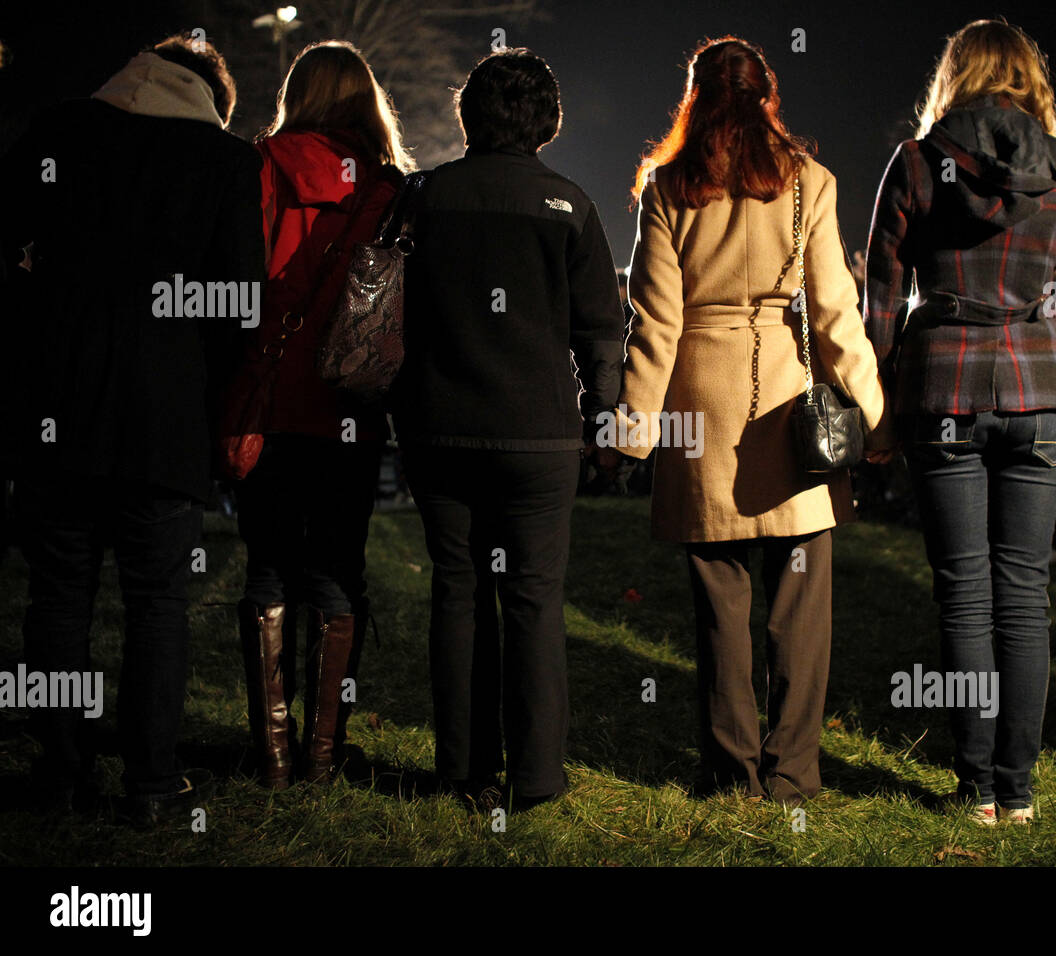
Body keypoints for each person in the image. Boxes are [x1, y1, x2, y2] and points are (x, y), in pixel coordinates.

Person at [864, 20, 1056, 824]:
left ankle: (977, 789)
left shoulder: (917, 163)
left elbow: (879, 308)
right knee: (1024, 595)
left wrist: (871, 417)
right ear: (1030, 79)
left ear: (953, 78)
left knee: (963, 594)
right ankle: (1017, 793)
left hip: (943, 392)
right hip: (1042, 398)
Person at [611, 37, 888, 805]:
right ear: (770, 98)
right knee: (800, 613)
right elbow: (836, 315)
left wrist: (631, 430)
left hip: (701, 409)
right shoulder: (810, 184)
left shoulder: (668, 187)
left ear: (692, 102)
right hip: (788, 408)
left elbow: (655, 323)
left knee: (719, 609)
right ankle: (794, 774)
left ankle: (732, 776)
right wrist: (876, 417)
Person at [0, 35, 263, 825]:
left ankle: (61, 771)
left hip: (58, 406)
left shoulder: (59, 131)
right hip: (165, 414)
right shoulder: (223, 162)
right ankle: (151, 781)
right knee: (157, 604)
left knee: (59, 598)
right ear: (213, 97)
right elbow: (240, 303)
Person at [391, 49, 625, 811]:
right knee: (533, 600)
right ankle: (537, 776)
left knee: (457, 594)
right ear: (548, 121)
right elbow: (600, 330)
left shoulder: (422, 197)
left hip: (439, 427)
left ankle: (463, 769)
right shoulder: (570, 205)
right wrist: (602, 417)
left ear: (469, 116)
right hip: (538, 435)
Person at [232, 40, 416, 788]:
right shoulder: (387, 185)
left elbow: (241, 280)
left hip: (268, 397)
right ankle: (322, 753)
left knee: (268, 565)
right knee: (338, 568)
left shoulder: (262, 165)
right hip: (349, 403)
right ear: (365, 101)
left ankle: (272, 757)